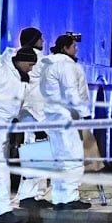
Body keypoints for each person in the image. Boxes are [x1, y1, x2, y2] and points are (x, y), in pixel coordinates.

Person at [0, 46, 38, 223]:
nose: (31, 68)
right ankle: (1, 212)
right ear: (20, 61)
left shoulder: (21, 80)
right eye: (30, 64)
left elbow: (21, 107)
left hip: (1, 130)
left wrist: (36, 125)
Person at [38, 33, 92, 210]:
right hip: (68, 117)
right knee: (73, 157)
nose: (76, 50)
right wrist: (85, 113)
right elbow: (71, 91)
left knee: (60, 159)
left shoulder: (48, 64)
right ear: (65, 48)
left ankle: (60, 198)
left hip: (53, 116)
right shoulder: (65, 65)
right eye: (74, 47)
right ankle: (69, 197)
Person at [14, 26, 53, 210]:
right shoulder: (39, 60)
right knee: (36, 153)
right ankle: (30, 195)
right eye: (40, 38)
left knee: (35, 152)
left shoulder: (21, 57)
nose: (43, 42)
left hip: (28, 113)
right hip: (36, 114)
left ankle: (34, 194)